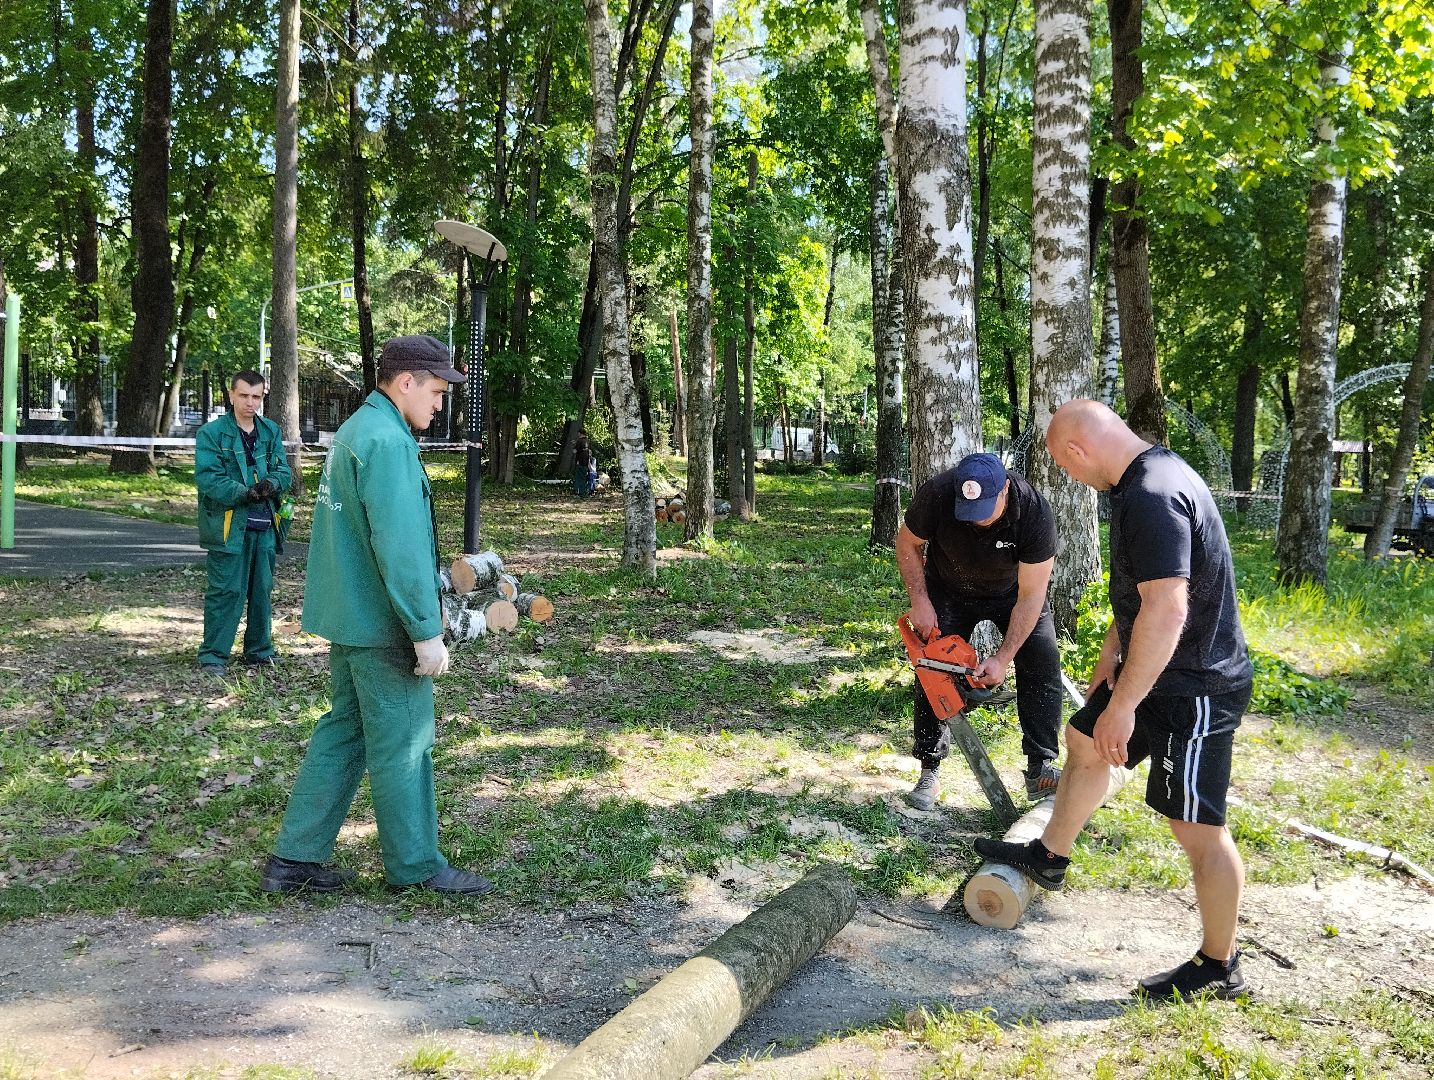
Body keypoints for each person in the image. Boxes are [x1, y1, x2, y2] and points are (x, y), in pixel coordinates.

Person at [975, 400, 1254, 1001]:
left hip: (1193, 686)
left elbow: (1168, 606)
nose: (1069, 477)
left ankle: (1219, 965)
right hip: (1150, 668)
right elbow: (1140, 593)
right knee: (1083, 739)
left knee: (1196, 827)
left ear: (1077, 452)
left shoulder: (1153, 496)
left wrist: (1125, 705)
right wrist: (1111, 662)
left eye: (1062, 465)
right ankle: (1050, 854)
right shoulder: (1146, 478)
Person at [261, 335, 491, 897]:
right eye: (437, 392)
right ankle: (415, 866)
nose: (440, 405)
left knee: (345, 732)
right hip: (383, 622)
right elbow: (401, 546)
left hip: (350, 614)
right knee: (406, 743)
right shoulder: (386, 441)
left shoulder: (359, 431)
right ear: (405, 381)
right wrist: (426, 631)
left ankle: (293, 861)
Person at [895, 452, 1064, 810]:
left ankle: (1041, 766)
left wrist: (1003, 658)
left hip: (1014, 594)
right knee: (932, 670)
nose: (979, 521)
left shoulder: (1033, 512)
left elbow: (1032, 595)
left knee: (1042, 657)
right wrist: (920, 600)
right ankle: (929, 767)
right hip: (948, 588)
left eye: (986, 509)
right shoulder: (938, 494)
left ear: (1005, 489)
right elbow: (906, 542)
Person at [195, 370, 291, 676]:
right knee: (225, 591)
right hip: (228, 526)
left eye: (257, 397)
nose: (251, 403)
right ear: (232, 395)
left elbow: (284, 472)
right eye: (244, 396)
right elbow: (209, 478)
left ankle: (259, 652)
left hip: (265, 525)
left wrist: (271, 485)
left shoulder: (271, 431)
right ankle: (213, 655)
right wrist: (243, 492)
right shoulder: (211, 434)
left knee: (261, 590)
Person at [574, 433, 593, 497]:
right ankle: (583, 492)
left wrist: (574, 446)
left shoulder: (579, 441)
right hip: (586, 462)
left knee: (579, 478)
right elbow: (589, 452)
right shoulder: (587, 441)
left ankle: (581, 492)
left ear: (579, 433)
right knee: (583, 477)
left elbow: (575, 451)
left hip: (580, 462)